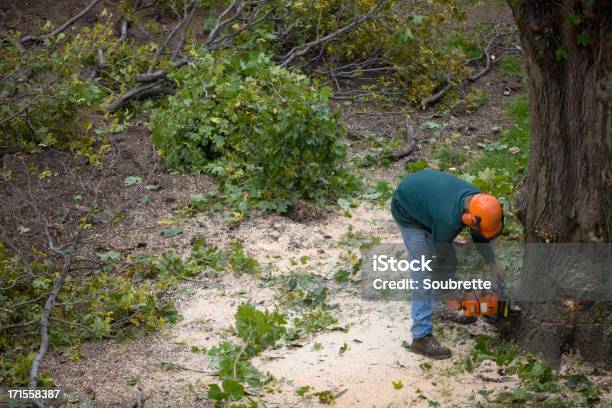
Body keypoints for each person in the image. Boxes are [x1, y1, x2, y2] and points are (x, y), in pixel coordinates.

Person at [391, 169, 504, 359]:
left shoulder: (480, 204)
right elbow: (440, 256)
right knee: (423, 269)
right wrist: (448, 291)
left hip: (427, 202)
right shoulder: (449, 220)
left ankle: (437, 307)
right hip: (406, 207)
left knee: (446, 257)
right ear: (468, 218)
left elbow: (480, 234)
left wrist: (491, 263)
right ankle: (421, 335)